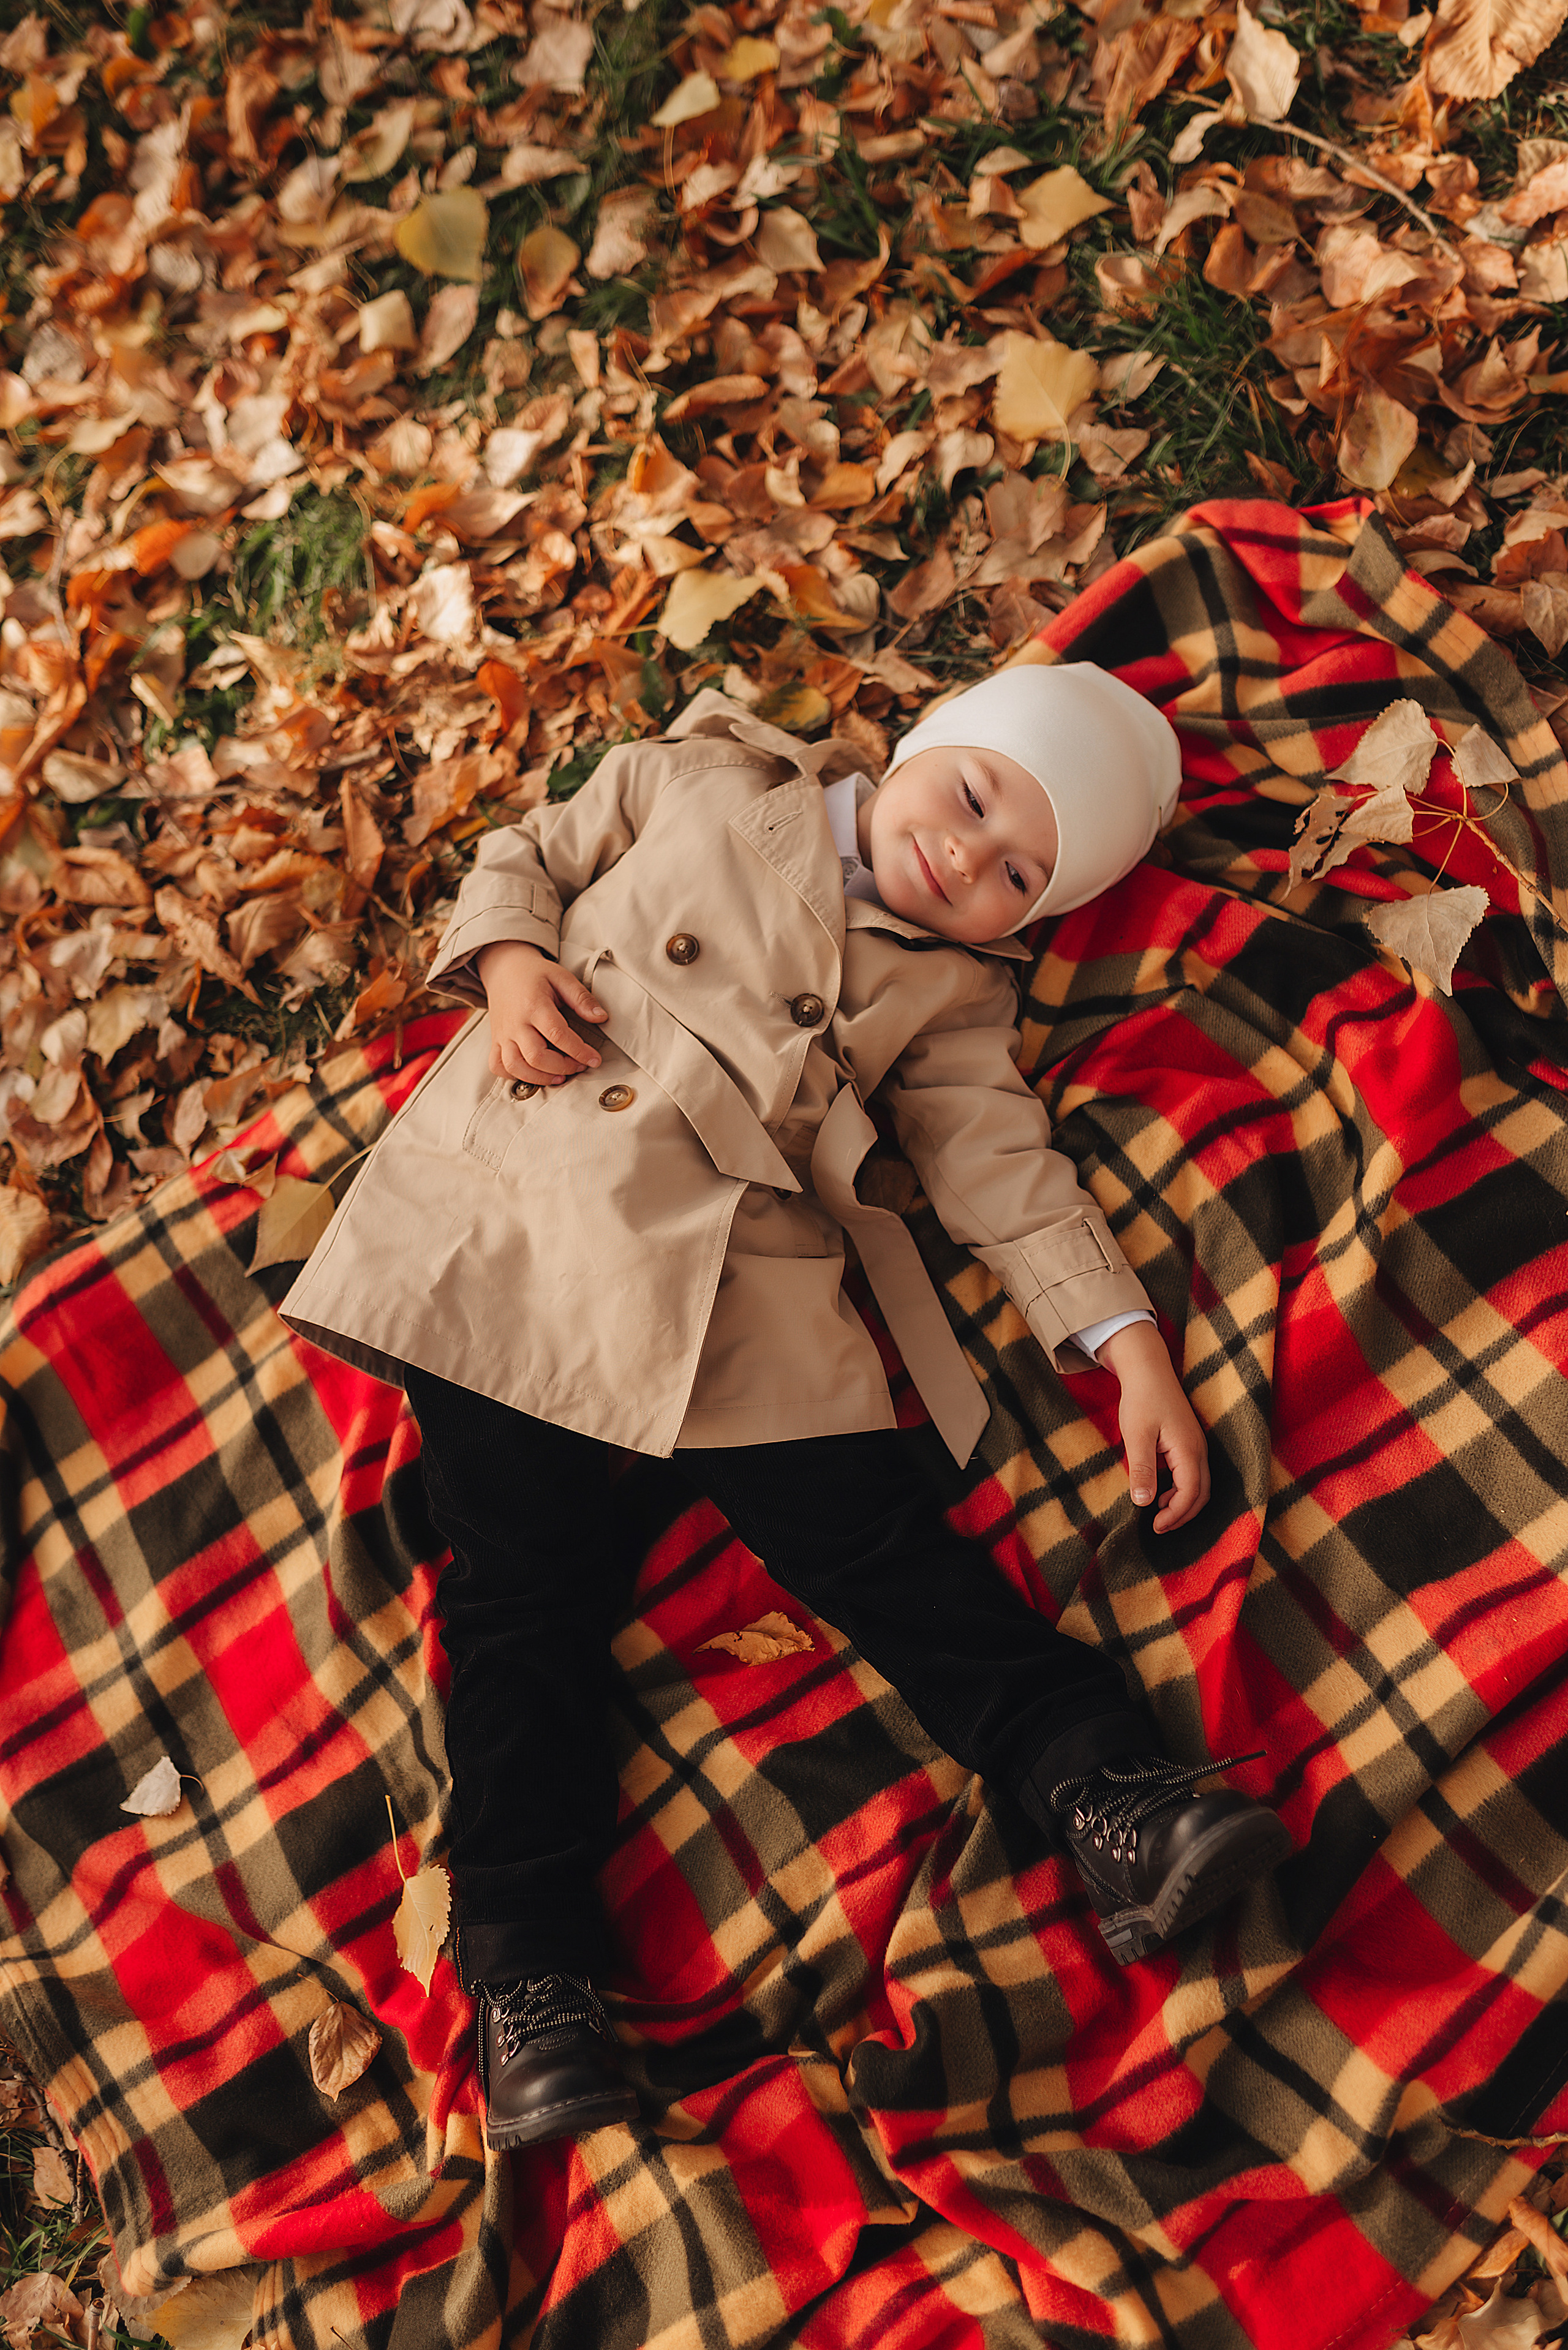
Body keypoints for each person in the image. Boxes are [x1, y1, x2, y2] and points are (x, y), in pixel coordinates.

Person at [282, 664, 1291, 2153]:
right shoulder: (700, 780)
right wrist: (505, 962)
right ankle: (530, 1979)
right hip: (527, 1231)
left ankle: (1103, 1786)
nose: (968, 856)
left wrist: (1124, 1337)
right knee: (518, 1603)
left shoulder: (949, 992)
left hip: (739, 1285)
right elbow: (531, 852)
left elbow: (997, 1166)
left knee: (880, 1541)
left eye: (1018, 873)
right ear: (922, 747)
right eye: (970, 795)